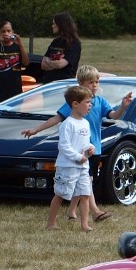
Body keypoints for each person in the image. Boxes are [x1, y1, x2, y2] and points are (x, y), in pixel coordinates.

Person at [23, 64, 131, 222]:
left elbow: (114, 116)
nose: (94, 85)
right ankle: (95, 212)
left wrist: (123, 106)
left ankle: (72, 211)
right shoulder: (75, 103)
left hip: (93, 149)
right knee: (86, 181)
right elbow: (56, 118)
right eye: (90, 82)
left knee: (86, 180)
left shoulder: (99, 102)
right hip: (77, 151)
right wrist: (36, 129)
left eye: (96, 82)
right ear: (80, 83)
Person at [47, 85, 95, 231]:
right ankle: (51, 223)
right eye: (87, 102)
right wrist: (77, 157)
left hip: (83, 167)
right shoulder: (67, 124)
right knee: (61, 194)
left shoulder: (86, 123)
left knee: (84, 194)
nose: (90, 105)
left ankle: (84, 224)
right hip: (68, 166)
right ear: (75, 104)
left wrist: (89, 148)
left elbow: (83, 143)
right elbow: (64, 146)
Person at [0, 18, 30, 105]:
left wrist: (20, 45)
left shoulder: (17, 47)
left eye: (8, 31)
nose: (6, 34)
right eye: (3, 31)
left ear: (13, 32)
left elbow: (26, 63)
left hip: (15, 90)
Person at [41, 12, 82, 83]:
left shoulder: (74, 43)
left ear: (61, 25)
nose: (52, 26)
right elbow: (43, 65)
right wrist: (54, 63)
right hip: (48, 84)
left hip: (63, 85)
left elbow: (60, 64)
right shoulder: (55, 41)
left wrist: (49, 61)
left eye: (54, 24)